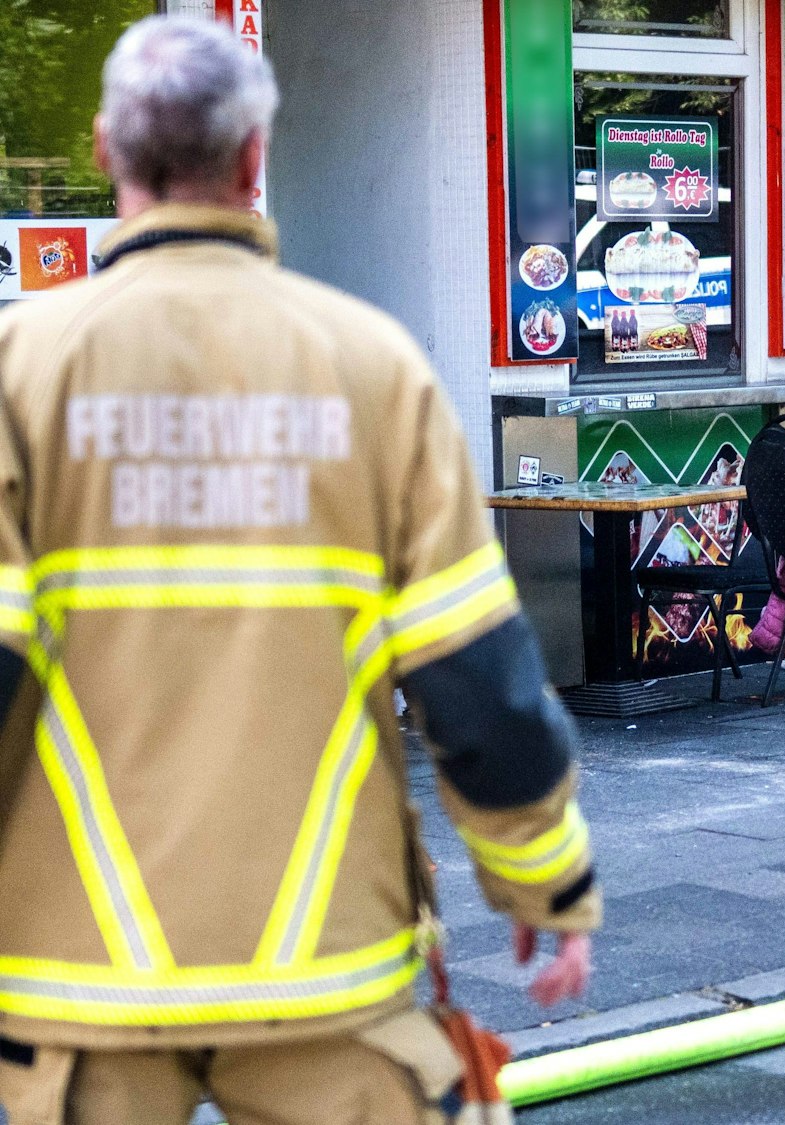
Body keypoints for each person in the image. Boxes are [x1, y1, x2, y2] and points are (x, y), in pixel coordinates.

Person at [0, 15, 599, 1124]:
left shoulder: (20, 372)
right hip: (325, 967)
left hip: (81, 978)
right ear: (253, 155)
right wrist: (545, 882)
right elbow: (479, 684)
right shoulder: (374, 371)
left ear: (103, 151)